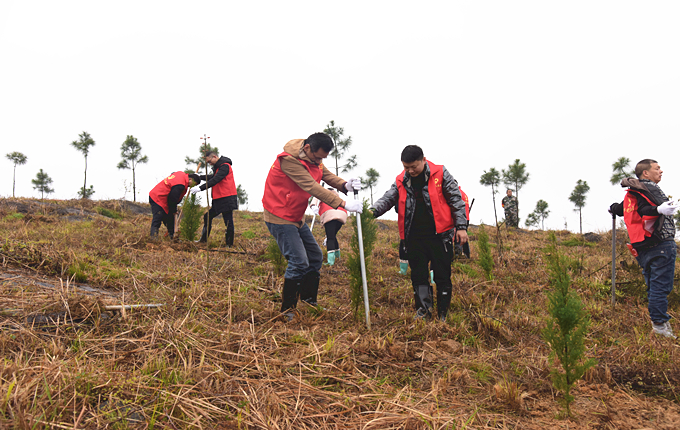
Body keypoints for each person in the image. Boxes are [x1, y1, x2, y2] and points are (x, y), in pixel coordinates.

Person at [262, 133, 363, 320]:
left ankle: (309, 301)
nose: (320, 161)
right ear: (307, 148)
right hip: (279, 215)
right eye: (318, 157)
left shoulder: (313, 158)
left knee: (315, 256)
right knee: (299, 261)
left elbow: (325, 174)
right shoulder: (289, 161)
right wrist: (342, 203)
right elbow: (311, 186)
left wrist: (344, 185)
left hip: (295, 215)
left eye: (323, 158)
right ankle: (287, 310)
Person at [371, 145, 468, 321]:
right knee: (418, 275)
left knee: (442, 274)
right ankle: (424, 312)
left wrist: (461, 227)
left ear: (423, 160)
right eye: (406, 167)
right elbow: (388, 198)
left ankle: (443, 313)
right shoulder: (401, 180)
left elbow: (456, 199)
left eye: (414, 166)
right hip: (413, 237)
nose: (410, 171)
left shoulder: (440, 173)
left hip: (440, 235)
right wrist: (371, 211)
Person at [609, 159, 679, 339]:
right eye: (657, 168)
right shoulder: (650, 189)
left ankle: (660, 325)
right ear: (645, 173)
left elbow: (628, 209)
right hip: (661, 244)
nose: (661, 171)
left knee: (653, 287)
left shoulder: (632, 192)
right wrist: (659, 209)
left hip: (642, 247)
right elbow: (645, 209)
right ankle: (660, 328)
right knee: (660, 288)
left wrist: (615, 208)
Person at [190, 151, 238, 246]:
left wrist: (200, 188)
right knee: (208, 216)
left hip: (227, 198)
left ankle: (229, 244)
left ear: (215, 157)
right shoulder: (219, 167)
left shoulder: (225, 166)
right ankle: (204, 240)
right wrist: (200, 176)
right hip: (220, 198)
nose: (209, 163)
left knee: (228, 221)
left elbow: (215, 180)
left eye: (209, 161)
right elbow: (213, 176)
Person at [149, 172, 200, 239]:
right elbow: (172, 198)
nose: (191, 186)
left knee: (170, 217)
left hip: (164, 199)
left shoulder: (181, 175)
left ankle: (172, 236)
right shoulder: (180, 185)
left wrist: (172, 211)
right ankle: (153, 237)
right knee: (158, 216)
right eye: (193, 184)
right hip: (158, 197)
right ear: (190, 179)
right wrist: (174, 210)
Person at [310, 187, 348, 266]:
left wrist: (313, 205)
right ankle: (338, 257)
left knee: (330, 238)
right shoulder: (336, 195)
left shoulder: (321, 192)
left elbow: (315, 198)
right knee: (332, 236)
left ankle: (330, 262)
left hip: (330, 214)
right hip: (342, 214)